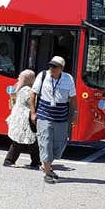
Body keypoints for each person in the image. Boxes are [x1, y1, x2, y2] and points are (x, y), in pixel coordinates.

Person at [29, 56, 78, 184]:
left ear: (61, 68)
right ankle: (47, 172)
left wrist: (75, 113)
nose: (51, 69)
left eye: (54, 67)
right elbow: (33, 94)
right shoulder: (43, 75)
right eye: (50, 66)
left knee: (59, 145)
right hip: (44, 115)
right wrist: (33, 113)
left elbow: (73, 98)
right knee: (45, 143)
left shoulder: (68, 79)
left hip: (61, 118)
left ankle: (47, 167)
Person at [4, 69, 41, 168]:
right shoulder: (27, 90)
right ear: (30, 79)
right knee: (25, 140)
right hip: (24, 118)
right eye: (33, 78)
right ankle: (9, 161)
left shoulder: (18, 88)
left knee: (29, 140)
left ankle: (35, 162)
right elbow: (32, 102)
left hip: (20, 116)